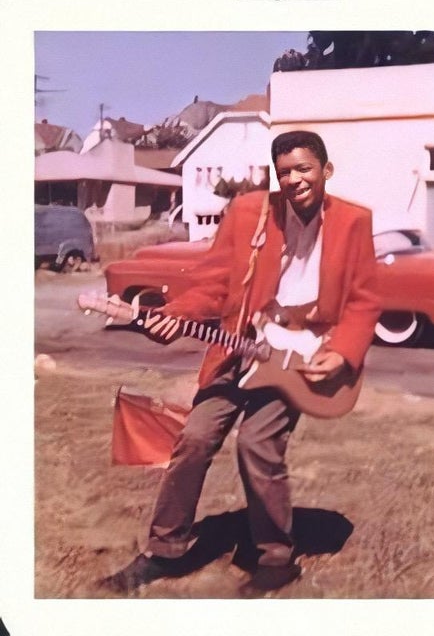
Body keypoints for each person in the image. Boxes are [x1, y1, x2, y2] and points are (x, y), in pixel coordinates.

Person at [101, 130, 381, 594]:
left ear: (325, 171)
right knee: (194, 438)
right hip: (240, 345)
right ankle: (165, 551)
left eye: (304, 169)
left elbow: (364, 301)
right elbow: (214, 284)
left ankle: (276, 557)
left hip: (299, 353)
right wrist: (175, 314)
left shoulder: (353, 222)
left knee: (257, 443)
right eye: (285, 171)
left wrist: (342, 351)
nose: (294, 179)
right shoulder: (249, 213)